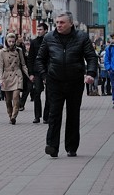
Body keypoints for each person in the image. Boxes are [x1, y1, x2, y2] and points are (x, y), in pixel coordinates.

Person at [36, 12, 97, 158]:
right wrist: (45, 76)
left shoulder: (81, 37)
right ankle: (52, 146)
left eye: (62, 22)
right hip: (54, 82)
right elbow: (40, 59)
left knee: (73, 115)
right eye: (57, 22)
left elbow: (91, 57)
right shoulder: (49, 37)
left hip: (75, 82)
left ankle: (71, 147)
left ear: (70, 24)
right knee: (54, 114)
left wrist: (91, 74)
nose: (58, 25)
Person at [0, 32, 30, 124]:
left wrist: (29, 75)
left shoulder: (19, 51)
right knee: (8, 100)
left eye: (13, 41)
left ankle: (14, 116)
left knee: (16, 97)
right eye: (10, 41)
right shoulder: (2, 52)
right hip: (6, 76)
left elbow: (23, 65)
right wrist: (1, 79)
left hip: (17, 75)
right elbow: (0, 67)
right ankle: (10, 114)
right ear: (6, 42)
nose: (11, 43)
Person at [27, 22, 50, 123]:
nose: (39, 31)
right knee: (37, 93)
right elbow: (31, 58)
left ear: (45, 30)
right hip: (37, 71)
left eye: (41, 29)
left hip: (49, 71)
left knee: (49, 94)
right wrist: (30, 73)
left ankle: (46, 116)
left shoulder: (50, 41)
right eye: (38, 29)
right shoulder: (34, 42)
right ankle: (37, 116)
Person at [104, 37, 114, 107]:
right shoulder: (110, 48)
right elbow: (106, 59)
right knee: (113, 86)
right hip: (113, 70)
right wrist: (109, 68)